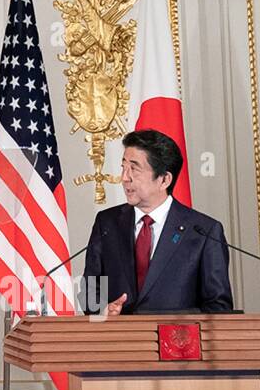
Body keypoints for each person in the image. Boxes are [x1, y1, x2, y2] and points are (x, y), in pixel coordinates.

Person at [82, 129, 233, 316]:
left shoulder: (204, 231)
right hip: (119, 341)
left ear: (164, 180)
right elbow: (90, 293)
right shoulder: (107, 223)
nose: (124, 177)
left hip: (177, 343)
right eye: (123, 167)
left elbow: (219, 308)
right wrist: (103, 310)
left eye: (134, 169)